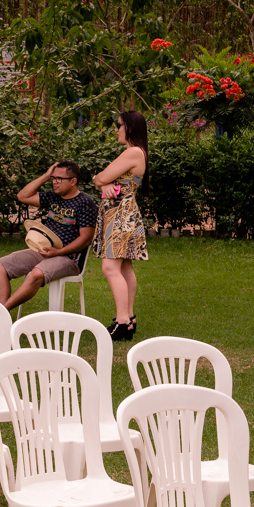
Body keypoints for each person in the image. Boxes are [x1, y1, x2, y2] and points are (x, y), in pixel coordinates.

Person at [0, 161, 97, 321]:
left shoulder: (85, 203)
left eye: (59, 178)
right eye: (53, 178)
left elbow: (85, 239)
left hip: (69, 258)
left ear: (73, 181)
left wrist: (59, 252)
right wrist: (46, 175)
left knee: (36, 274)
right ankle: (0, 319)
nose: (54, 182)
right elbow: (22, 196)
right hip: (45, 250)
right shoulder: (53, 197)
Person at [92, 110, 150, 342]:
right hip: (122, 214)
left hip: (120, 217)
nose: (116, 129)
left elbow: (100, 177)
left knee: (110, 268)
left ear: (130, 128)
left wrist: (101, 183)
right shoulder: (134, 152)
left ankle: (122, 324)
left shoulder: (133, 152)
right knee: (124, 268)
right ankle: (128, 317)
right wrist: (103, 185)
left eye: (119, 125)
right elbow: (103, 181)